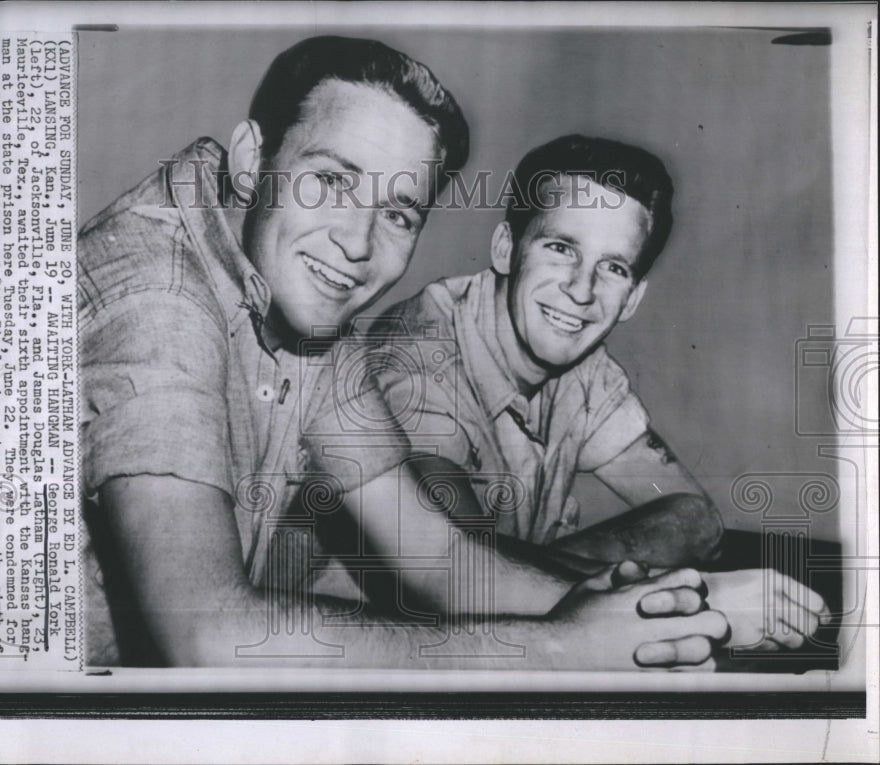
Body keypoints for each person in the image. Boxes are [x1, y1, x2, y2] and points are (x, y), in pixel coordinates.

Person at [79, 37, 730, 670]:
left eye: (398, 213)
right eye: (331, 182)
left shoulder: (306, 300)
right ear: (252, 160)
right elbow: (205, 638)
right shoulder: (158, 296)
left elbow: (441, 559)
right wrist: (565, 646)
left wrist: (669, 612)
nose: (356, 242)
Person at [370, 135, 830, 652]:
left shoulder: (579, 363)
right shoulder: (417, 353)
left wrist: (581, 589)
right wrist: (690, 601)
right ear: (505, 248)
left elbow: (692, 517)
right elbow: (455, 574)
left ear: (632, 299)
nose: (582, 291)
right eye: (561, 248)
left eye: (613, 267)